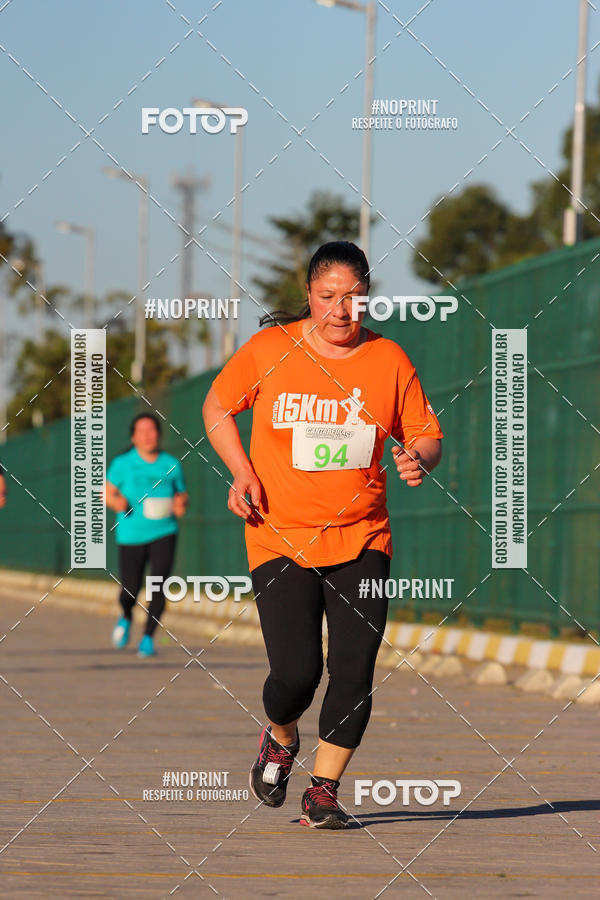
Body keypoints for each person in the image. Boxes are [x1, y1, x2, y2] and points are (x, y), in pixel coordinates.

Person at [202, 241, 443, 829]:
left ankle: (325, 790)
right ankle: (280, 738)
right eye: (328, 297)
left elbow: (426, 434)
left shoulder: (388, 359)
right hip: (279, 538)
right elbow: (216, 406)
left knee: (355, 671)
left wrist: (419, 458)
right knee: (295, 674)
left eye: (354, 298)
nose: (341, 309)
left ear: (368, 298)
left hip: (363, 540)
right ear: (308, 295)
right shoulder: (269, 350)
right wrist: (243, 470)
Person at [105, 413, 188, 658]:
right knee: (130, 589)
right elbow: (107, 493)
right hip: (131, 534)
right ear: (133, 437)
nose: (148, 436)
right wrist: (118, 503)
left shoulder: (171, 463)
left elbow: (182, 495)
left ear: (159, 434)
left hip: (164, 531)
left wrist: (181, 504)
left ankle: (148, 637)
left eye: (152, 430)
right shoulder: (123, 463)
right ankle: (126, 615)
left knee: (158, 586)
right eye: (142, 431)